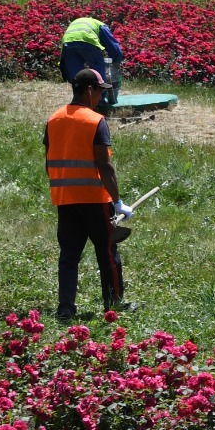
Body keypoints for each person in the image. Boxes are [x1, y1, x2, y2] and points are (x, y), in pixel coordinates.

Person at [45, 68, 134, 320]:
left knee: (69, 256)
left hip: (65, 199)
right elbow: (104, 166)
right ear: (89, 90)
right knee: (107, 253)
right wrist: (117, 201)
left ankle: (65, 307)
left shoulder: (54, 119)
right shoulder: (95, 121)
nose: (101, 97)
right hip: (94, 200)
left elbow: (48, 162)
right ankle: (113, 304)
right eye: (99, 91)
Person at [59, 15, 125, 111]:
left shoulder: (81, 22)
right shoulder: (101, 25)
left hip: (68, 42)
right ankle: (100, 101)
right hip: (87, 39)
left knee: (76, 76)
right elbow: (113, 47)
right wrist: (116, 61)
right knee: (98, 71)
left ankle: (79, 101)